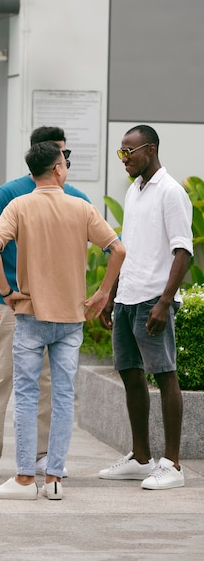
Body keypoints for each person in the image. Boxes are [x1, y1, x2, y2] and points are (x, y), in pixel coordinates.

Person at [0, 141, 125, 500]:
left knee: (27, 395)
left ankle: (25, 480)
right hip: (71, 317)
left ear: (33, 173)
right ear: (58, 169)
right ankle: (55, 478)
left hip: (31, 314)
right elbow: (118, 249)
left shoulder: (19, 204)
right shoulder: (81, 207)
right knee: (63, 396)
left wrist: (5, 290)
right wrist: (103, 292)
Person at [0, 126, 90, 481]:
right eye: (60, 156)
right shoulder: (11, 194)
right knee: (1, 376)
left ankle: (42, 455)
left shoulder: (77, 197)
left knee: (48, 384)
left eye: (67, 155)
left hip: (57, 309)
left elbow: (101, 242)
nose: (64, 162)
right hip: (15, 303)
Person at [98, 125, 193, 490]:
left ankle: (172, 464)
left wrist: (165, 301)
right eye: (121, 152)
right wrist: (112, 293)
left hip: (153, 299)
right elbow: (129, 250)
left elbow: (183, 250)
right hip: (128, 297)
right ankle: (141, 457)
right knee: (130, 374)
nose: (124, 158)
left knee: (165, 375)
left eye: (129, 152)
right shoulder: (135, 191)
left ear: (150, 150)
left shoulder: (170, 192)